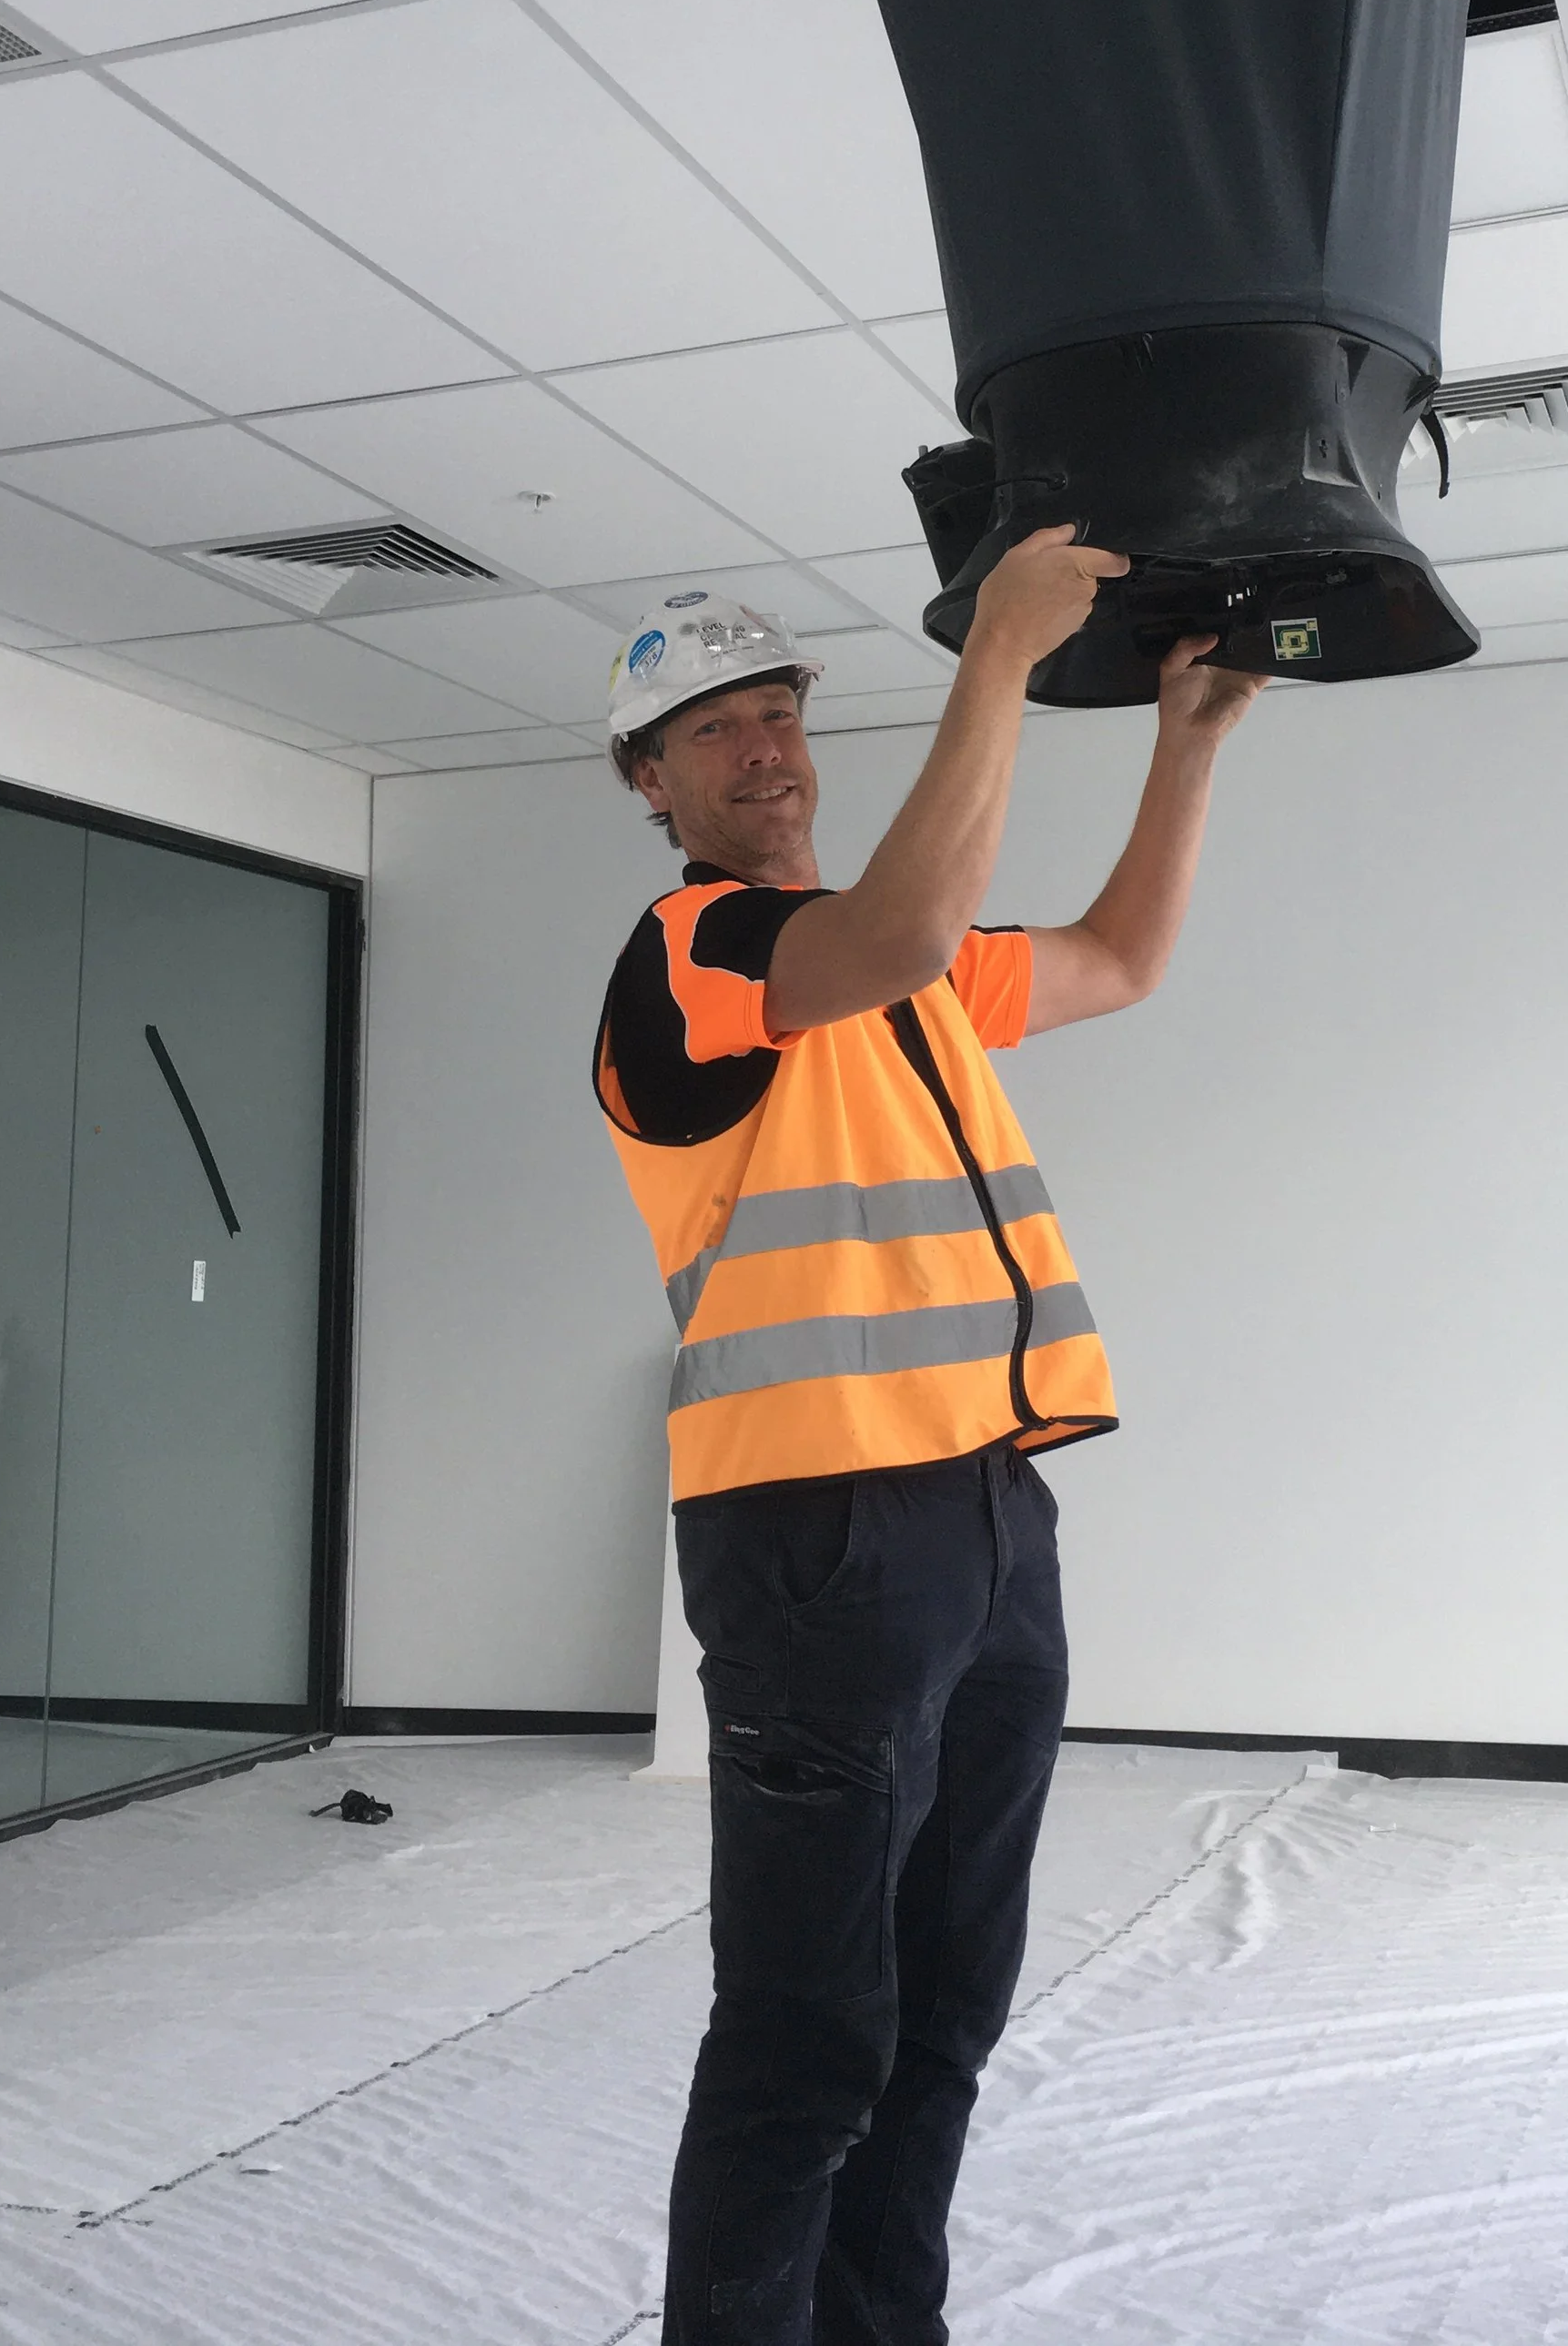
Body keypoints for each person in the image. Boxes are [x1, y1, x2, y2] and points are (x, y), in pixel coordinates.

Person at [593, 526, 1266, 2344]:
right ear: (649, 785)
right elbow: (878, 932)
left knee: (943, 2012)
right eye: (709, 729)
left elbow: (1119, 956)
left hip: (986, 1521)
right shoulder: (693, 961)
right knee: (809, 2031)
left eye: (778, 708)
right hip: (818, 1544)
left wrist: (1184, 738)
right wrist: (999, 658)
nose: (762, 746)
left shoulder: (913, 979)